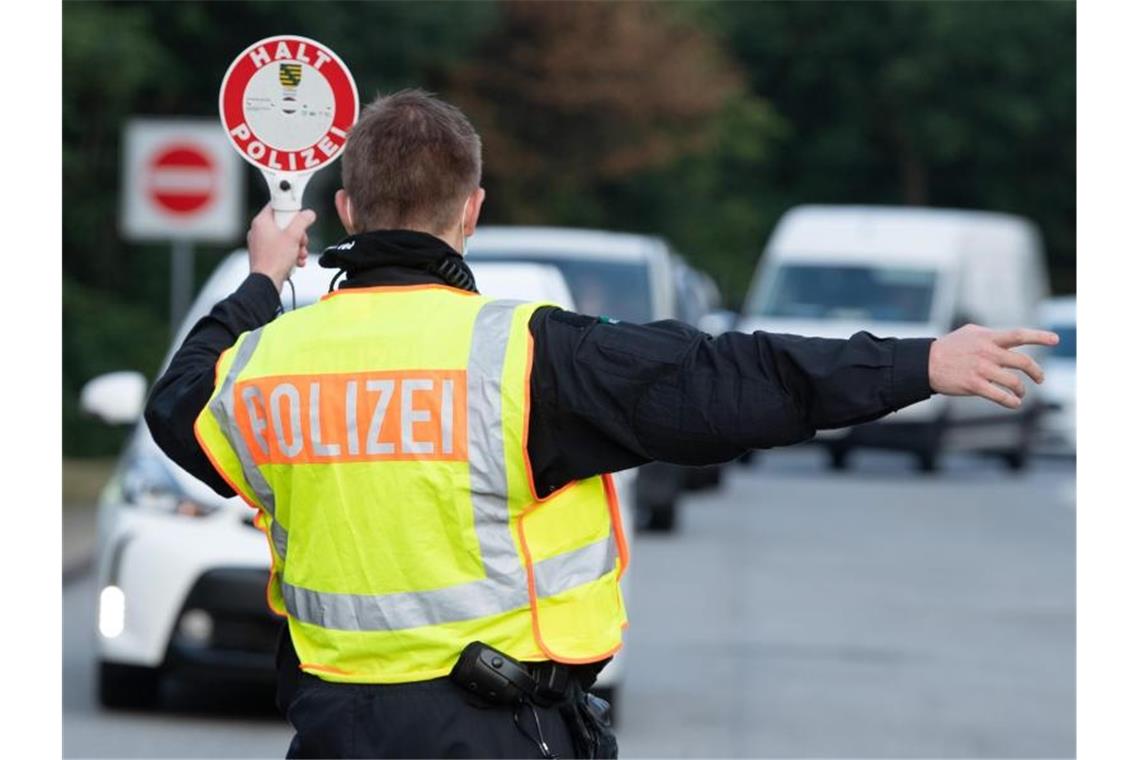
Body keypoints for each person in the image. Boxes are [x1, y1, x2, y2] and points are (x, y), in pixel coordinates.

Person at [145, 89, 1057, 759]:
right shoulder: (528, 355)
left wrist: (262, 280)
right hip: (498, 734)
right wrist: (917, 364)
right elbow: (730, 378)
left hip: (336, 732)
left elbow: (175, 403)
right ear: (471, 212)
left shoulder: (264, 363)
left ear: (345, 211)